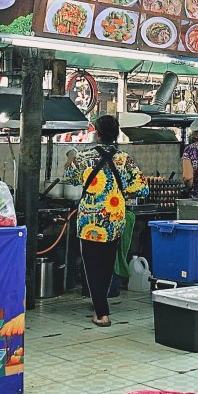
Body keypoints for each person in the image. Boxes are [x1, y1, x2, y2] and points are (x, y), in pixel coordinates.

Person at [77, 115, 149, 327]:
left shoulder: (84, 157)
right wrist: (120, 189)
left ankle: (102, 313)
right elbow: (142, 188)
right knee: (107, 265)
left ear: (97, 134)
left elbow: (71, 177)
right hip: (113, 218)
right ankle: (102, 309)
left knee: (91, 266)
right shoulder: (124, 159)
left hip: (89, 220)